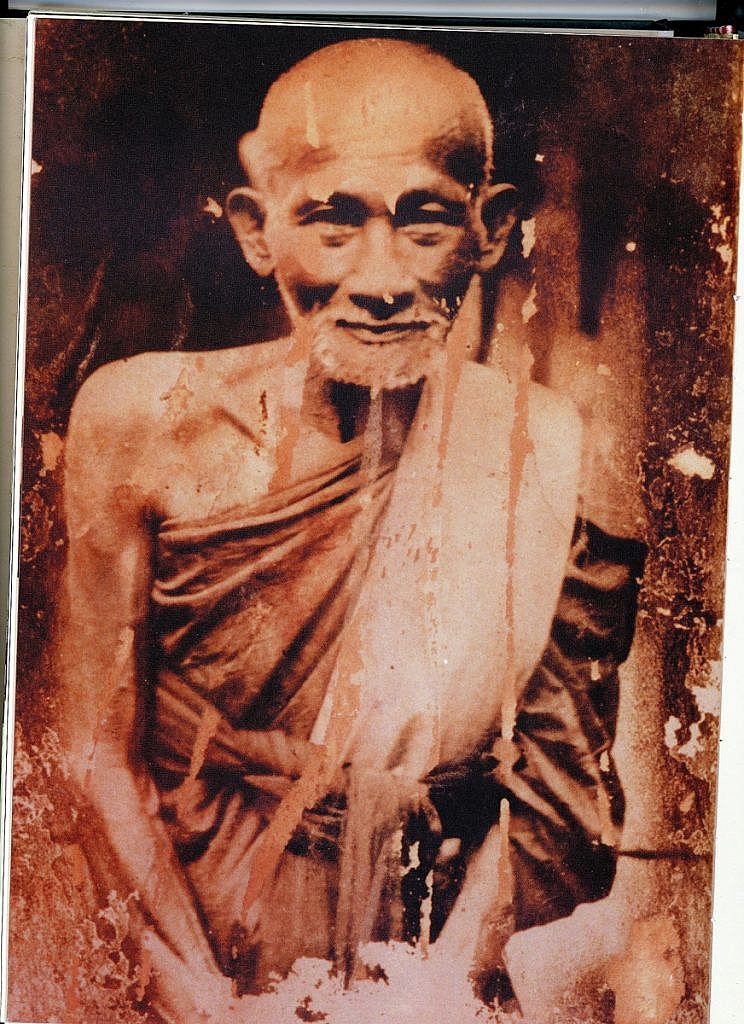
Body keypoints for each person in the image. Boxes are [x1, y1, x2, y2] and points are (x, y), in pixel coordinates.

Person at [58, 37, 644, 1022]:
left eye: (424, 221)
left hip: (429, 959)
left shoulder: (547, 451)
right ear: (258, 231)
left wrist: (434, 992)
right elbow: (94, 754)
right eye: (332, 222)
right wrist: (194, 998)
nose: (379, 280)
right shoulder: (139, 423)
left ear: (492, 228)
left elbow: (559, 794)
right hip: (177, 940)